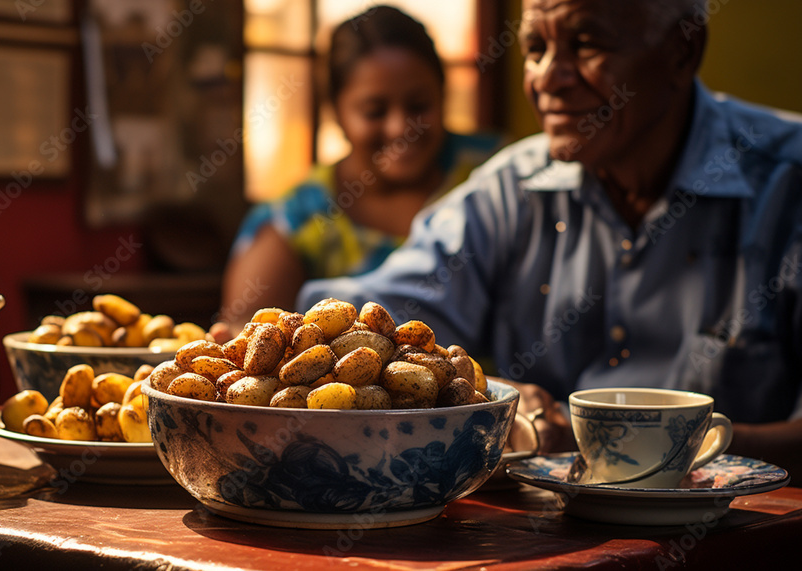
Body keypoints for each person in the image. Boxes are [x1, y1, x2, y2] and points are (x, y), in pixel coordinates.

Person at [299, 0, 802, 480]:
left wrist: (607, 443)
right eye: (535, 49)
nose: (548, 78)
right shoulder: (511, 190)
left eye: (585, 45)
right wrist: (507, 401)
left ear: (682, 51)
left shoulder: (788, 184)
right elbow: (367, 321)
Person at [220, 5, 499, 328]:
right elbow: (245, 332)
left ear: (443, 95)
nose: (400, 127)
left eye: (419, 106)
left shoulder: (492, 176)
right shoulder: (295, 221)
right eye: (374, 111)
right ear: (337, 112)